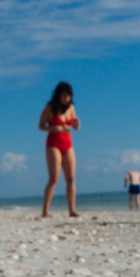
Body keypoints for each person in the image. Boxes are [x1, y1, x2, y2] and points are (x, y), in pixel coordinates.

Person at [39, 81, 80, 218]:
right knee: (54, 178)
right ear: (58, 95)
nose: (66, 98)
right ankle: (45, 211)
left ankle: (72, 210)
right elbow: (40, 126)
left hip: (68, 143)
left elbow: (74, 126)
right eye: (63, 95)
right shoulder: (50, 107)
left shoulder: (71, 108)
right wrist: (53, 128)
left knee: (71, 178)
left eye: (68, 95)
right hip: (53, 143)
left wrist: (77, 124)